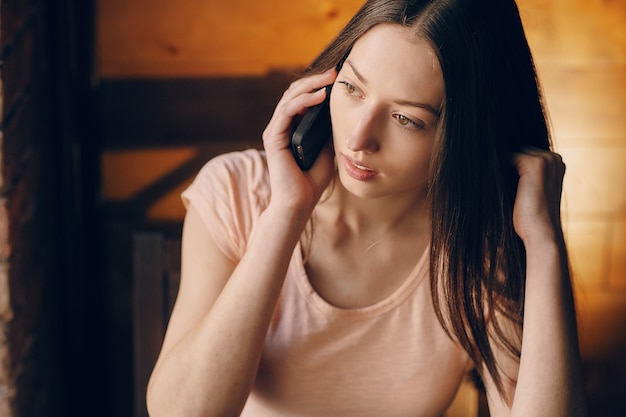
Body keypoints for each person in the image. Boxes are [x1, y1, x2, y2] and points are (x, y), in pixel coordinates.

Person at [146, 0, 588, 416]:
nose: (358, 138)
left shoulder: (476, 249)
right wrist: (285, 212)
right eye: (352, 88)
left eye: (406, 119)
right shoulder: (235, 192)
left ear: (465, 137)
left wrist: (544, 245)